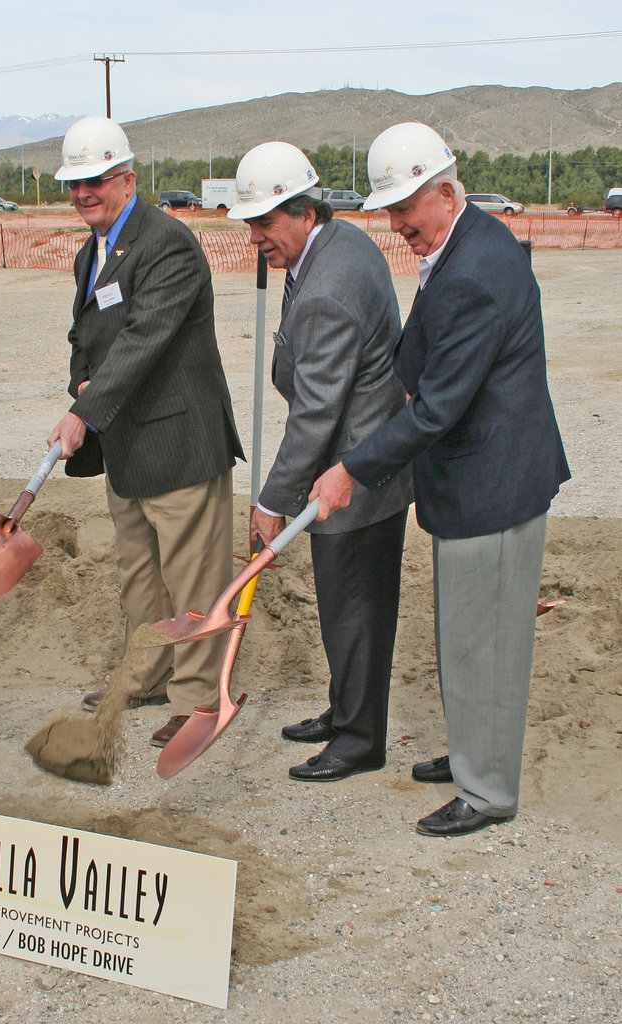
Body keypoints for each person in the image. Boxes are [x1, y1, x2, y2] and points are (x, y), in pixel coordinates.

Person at [308, 122, 570, 835]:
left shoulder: (478, 271)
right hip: (475, 478)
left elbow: (438, 408)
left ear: (447, 192)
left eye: (407, 210)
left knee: (485, 644)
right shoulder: (462, 244)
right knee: (465, 636)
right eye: (389, 213)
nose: (398, 228)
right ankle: (471, 755)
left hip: (493, 483)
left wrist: (349, 471)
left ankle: (486, 792)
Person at [46, 116, 244, 748]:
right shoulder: (92, 250)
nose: (84, 193)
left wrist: (84, 411)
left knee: (194, 578)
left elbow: (142, 341)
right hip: (128, 444)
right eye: (75, 183)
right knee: (139, 574)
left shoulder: (167, 243)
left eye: (97, 180)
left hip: (179, 443)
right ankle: (147, 673)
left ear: (128, 178)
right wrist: (81, 385)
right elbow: (90, 335)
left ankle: (197, 699)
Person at [227, 142, 413, 782]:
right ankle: (344, 711)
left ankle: (361, 740)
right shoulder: (332, 246)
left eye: (266, 223)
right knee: (342, 603)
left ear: (306, 212)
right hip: (346, 456)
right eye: (250, 225)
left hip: (357, 471)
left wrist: (272, 500)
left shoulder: (331, 284)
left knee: (356, 605)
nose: (256, 238)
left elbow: (316, 411)